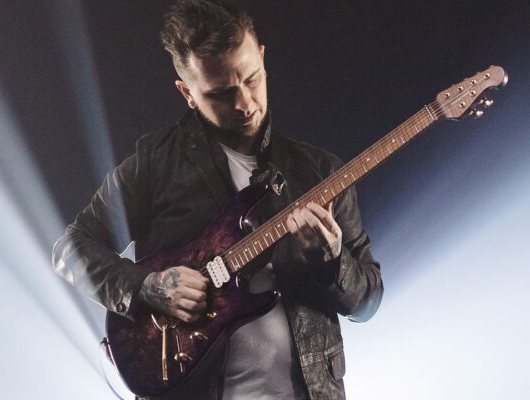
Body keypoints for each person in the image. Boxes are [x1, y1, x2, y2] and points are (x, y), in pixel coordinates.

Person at [52, 1, 383, 399]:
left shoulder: (319, 171)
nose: (245, 103)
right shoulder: (153, 165)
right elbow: (69, 250)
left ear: (261, 57)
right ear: (187, 93)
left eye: (252, 79)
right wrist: (147, 286)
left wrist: (331, 261)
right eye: (221, 94)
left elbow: (368, 302)